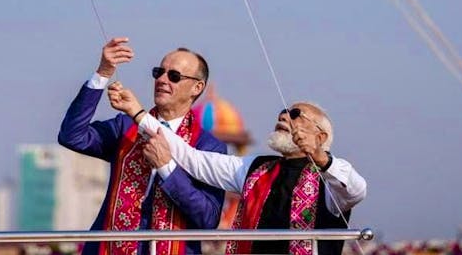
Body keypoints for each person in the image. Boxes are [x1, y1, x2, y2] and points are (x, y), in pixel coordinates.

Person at [108, 83, 366, 255]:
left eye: (295, 114)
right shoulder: (255, 168)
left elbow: (356, 190)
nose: (284, 117)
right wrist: (138, 113)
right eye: (282, 112)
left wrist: (320, 156)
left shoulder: (333, 180)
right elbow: (192, 158)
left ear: (320, 136)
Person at [58, 37, 227, 255]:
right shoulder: (126, 126)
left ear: (197, 87)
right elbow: (72, 136)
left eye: (174, 76)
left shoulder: (209, 147)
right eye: (159, 72)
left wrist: (167, 167)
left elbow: (208, 218)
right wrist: (103, 73)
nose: (163, 80)